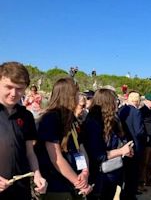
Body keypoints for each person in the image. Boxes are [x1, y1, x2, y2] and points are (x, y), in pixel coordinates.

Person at [35, 77, 92, 199]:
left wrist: (85, 172)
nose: (78, 96)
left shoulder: (72, 119)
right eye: (76, 93)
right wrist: (79, 183)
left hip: (74, 183)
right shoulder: (51, 118)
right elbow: (56, 158)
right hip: (57, 186)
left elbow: (79, 149)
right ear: (68, 96)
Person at [0, 62, 47, 199]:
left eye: (19, 89)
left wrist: (37, 174)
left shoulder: (26, 116)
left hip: (21, 190)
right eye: (8, 87)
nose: (14, 93)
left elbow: (29, 152)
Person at [82, 88, 134, 200]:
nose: (117, 103)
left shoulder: (111, 120)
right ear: (107, 103)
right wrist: (121, 151)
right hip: (100, 177)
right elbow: (98, 155)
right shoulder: (93, 123)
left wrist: (126, 148)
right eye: (114, 100)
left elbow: (117, 141)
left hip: (112, 172)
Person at [118, 91, 145, 199]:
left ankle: (124, 195)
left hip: (123, 145)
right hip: (135, 146)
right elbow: (139, 131)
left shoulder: (122, 110)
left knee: (125, 173)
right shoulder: (136, 112)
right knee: (133, 173)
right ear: (137, 101)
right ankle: (131, 196)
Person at [139, 93, 151, 190]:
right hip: (146, 142)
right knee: (143, 163)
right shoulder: (142, 111)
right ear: (146, 101)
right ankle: (141, 183)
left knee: (150, 163)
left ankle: (149, 180)